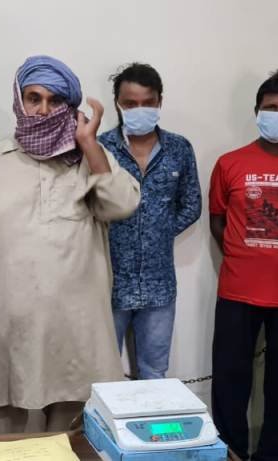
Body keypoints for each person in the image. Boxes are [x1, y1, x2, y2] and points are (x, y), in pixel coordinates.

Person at [0, 55, 140, 434]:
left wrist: (88, 145)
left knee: (75, 436)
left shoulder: (90, 158)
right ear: (19, 101)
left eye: (55, 101)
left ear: (70, 106)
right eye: (34, 98)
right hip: (4, 318)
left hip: (75, 323)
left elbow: (122, 205)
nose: (43, 110)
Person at [208, 70, 278, 461]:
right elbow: (218, 221)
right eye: (271, 107)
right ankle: (231, 453)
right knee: (229, 379)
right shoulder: (229, 163)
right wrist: (246, 256)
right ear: (256, 110)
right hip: (237, 290)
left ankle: (272, 455)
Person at [98, 62, 200, 380]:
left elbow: (192, 204)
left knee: (155, 372)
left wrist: (158, 230)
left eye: (147, 102)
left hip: (159, 286)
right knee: (101, 373)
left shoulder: (179, 148)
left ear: (159, 102)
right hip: (109, 284)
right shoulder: (100, 148)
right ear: (118, 103)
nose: (139, 109)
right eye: (130, 103)